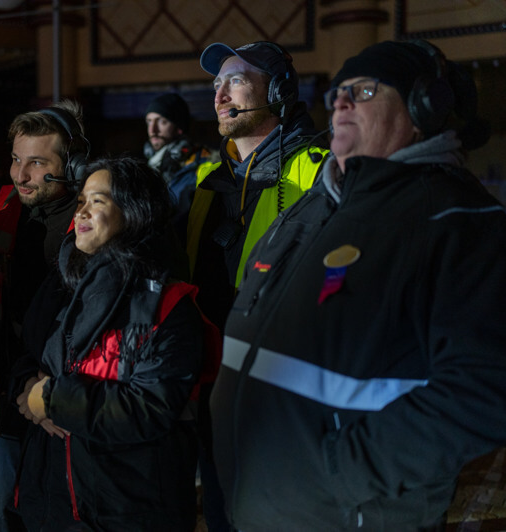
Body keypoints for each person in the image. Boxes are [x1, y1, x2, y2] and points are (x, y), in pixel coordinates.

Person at [211, 40, 506, 530]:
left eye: (365, 90)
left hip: (345, 514)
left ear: (424, 109)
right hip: (261, 502)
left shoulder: (456, 219)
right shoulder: (314, 207)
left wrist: (338, 471)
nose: (341, 103)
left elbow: (489, 388)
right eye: (338, 92)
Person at [12, 157, 216, 531]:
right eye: (81, 201)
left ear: (135, 213)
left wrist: (53, 399)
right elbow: (28, 356)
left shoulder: (167, 306)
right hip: (52, 505)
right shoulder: (63, 285)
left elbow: (150, 407)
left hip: (126, 513)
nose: (83, 211)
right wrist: (26, 384)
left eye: (99, 201)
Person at [189, 40, 329, 532]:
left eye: (236, 80)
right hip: (212, 394)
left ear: (280, 90)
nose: (220, 95)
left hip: (283, 403)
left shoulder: (321, 172)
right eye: (216, 85)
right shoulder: (207, 182)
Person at [0, 101, 84, 532]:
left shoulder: (93, 218)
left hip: (65, 399)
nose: (20, 175)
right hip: (11, 390)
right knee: (6, 517)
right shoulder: (3, 208)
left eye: (37, 163)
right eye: (17, 160)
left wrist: (55, 388)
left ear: (71, 165)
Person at [143, 92, 209, 214]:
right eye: (149, 121)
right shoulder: (148, 167)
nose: (152, 130)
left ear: (179, 128)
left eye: (161, 121)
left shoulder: (202, 164)